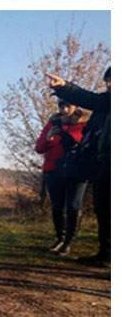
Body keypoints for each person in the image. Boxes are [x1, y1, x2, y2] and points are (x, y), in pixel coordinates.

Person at [47, 67, 111, 267]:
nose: (108, 85)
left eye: (112, 81)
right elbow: (90, 99)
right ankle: (106, 254)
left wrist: (65, 87)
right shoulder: (108, 103)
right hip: (104, 162)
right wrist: (64, 87)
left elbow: (89, 100)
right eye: (107, 81)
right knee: (104, 209)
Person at [34, 101, 88, 255]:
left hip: (77, 170)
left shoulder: (84, 123)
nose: (64, 110)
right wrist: (48, 138)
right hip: (54, 169)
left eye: (68, 106)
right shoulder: (53, 123)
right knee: (57, 206)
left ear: (76, 107)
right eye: (61, 106)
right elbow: (39, 148)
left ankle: (69, 241)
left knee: (73, 206)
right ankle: (60, 238)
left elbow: (81, 143)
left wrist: (65, 134)